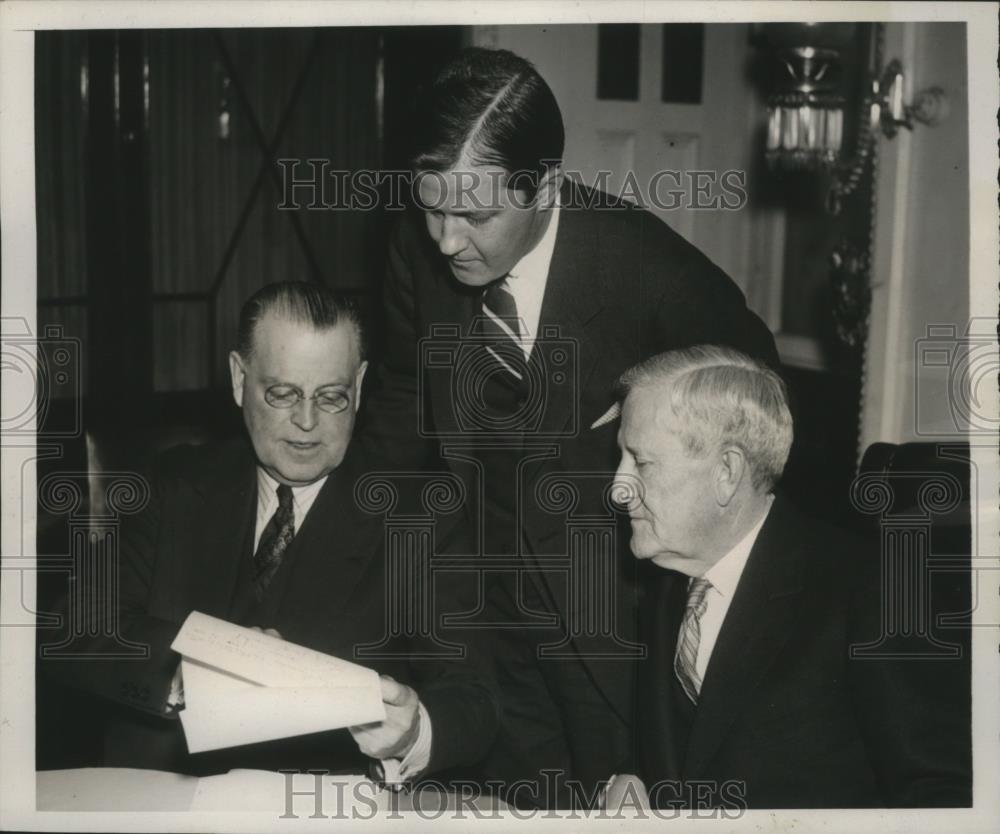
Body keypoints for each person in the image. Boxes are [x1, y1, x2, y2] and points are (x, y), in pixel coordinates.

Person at [361, 47, 778, 805]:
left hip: (610, 639)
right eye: (431, 204)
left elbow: (762, 413)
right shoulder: (413, 255)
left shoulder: (655, 277)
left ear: (546, 185)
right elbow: (396, 411)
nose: (447, 240)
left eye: (477, 215)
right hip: (478, 625)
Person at [44, 281, 498, 779]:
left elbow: (474, 698)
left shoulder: (419, 517)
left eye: (332, 397)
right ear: (239, 378)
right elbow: (76, 630)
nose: (306, 421)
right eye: (282, 393)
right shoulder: (175, 483)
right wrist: (195, 669)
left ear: (361, 386)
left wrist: (415, 732)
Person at [607, 345, 971, 808]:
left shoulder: (871, 591)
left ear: (726, 472)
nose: (618, 488)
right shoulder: (667, 582)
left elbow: (946, 795)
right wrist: (634, 779)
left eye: (641, 462)